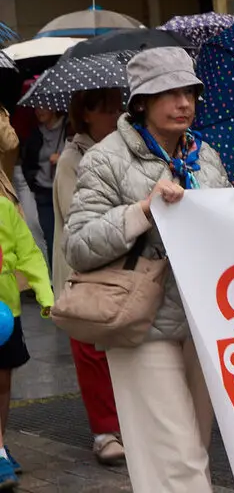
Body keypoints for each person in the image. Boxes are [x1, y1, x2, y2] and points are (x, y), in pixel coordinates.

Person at [65, 47, 234, 493]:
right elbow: (78, 246)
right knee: (178, 461)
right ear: (141, 101)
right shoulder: (106, 159)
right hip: (143, 323)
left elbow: (223, 231)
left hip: (205, 322)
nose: (184, 103)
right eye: (169, 92)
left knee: (193, 450)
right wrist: (142, 210)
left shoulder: (206, 156)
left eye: (190, 92)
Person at [52, 88, 127, 466]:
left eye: (119, 108)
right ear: (86, 115)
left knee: (117, 350)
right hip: (84, 271)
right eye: (107, 110)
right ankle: (105, 431)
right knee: (91, 353)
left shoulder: (119, 151)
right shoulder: (73, 159)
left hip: (118, 267)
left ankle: (122, 423)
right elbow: (76, 217)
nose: (116, 116)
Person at [0, 188, 54, 487]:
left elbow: (29, 253)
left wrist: (45, 295)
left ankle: (1, 445)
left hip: (6, 315)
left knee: (3, 382)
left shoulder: (5, 209)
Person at [20, 107, 64, 259]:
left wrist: (62, 158)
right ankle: (52, 280)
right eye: (37, 108)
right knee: (49, 236)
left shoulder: (68, 129)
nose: (39, 111)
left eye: (44, 106)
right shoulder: (36, 134)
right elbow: (28, 163)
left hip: (63, 191)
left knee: (66, 237)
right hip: (43, 193)